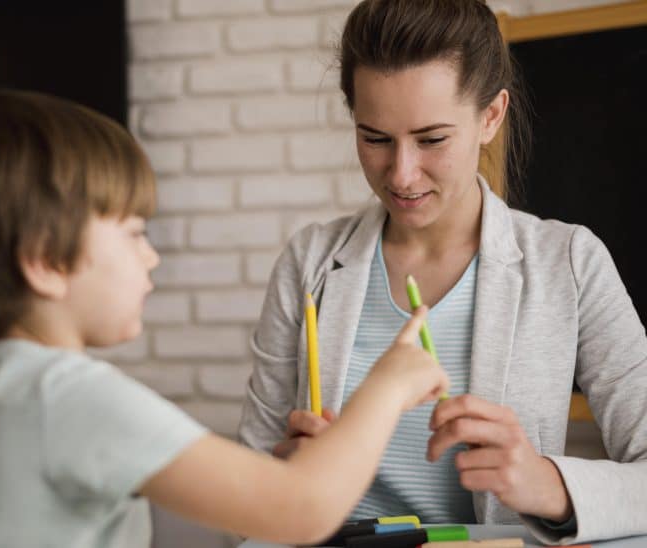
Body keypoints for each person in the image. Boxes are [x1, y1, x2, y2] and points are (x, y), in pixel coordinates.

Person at [0, 89, 448, 548]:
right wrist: (388, 385)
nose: (151, 256)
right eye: (135, 233)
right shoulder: (66, 396)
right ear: (44, 260)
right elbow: (302, 508)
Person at [238, 0, 647, 545]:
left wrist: (546, 484)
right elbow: (243, 482)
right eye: (374, 138)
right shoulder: (309, 262)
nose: (402, 175)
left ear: (490, 116)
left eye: (432, 139)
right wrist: (280, 481)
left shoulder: (569, 263)